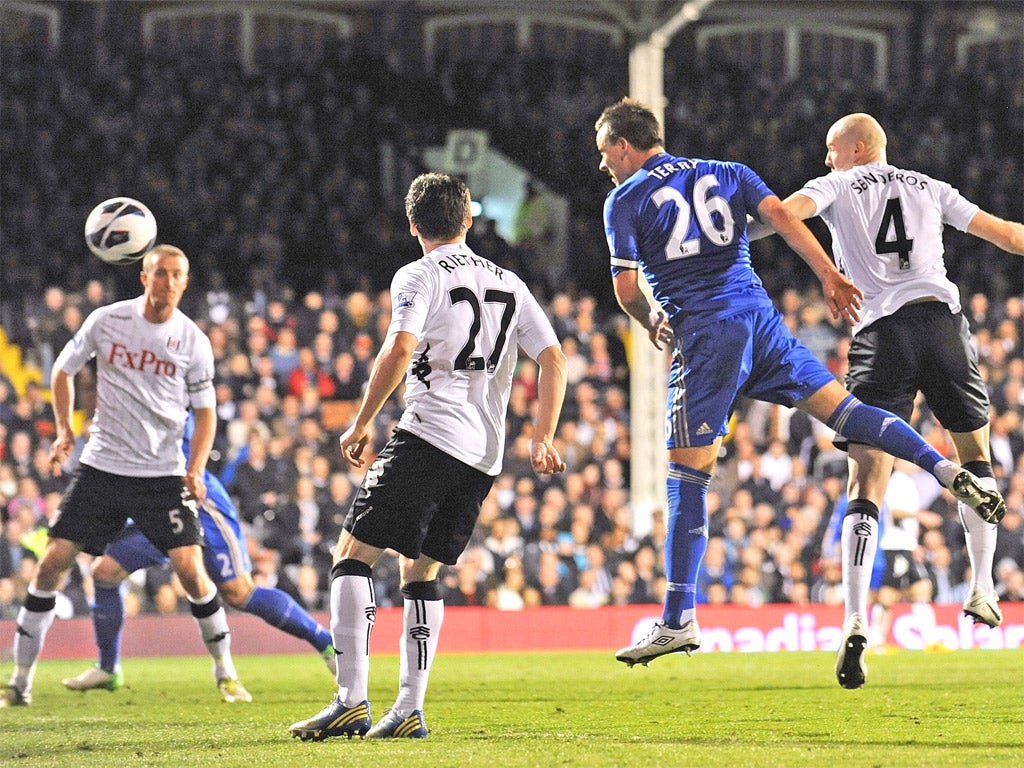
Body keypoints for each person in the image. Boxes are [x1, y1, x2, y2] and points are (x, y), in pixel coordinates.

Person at [592, 98, 1005, 674]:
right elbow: (784, 220)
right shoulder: (729, 171)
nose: (603, 164)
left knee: (689, 475)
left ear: (622, 144)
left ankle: (679, 617)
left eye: (604, 152)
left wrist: (650, 320)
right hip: (767, 321)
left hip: (706, 333)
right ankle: (944, 470)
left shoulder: (625, 198)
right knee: (845, 410)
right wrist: (829, 274)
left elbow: (626, 290)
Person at [288, 172, 567, 741]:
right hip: (483, 454)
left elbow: (399, 346)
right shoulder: (510, 282)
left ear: (413, 224)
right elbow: (554, 359)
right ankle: (409, 709)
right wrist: (542, 435)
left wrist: (361, 421)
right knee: (421, 571)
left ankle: (349, 700)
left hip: (430, 434)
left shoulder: (419, 274)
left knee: (351, 555)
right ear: (469, 219)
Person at [749, 112, 1024, 687]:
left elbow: (782, 215)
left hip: (880, 334)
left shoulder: (836, 184)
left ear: (856, 149)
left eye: (831, 149)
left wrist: (724, 238)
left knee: (866, 480)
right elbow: (1008, 235)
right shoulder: (931, 186)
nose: (826, 159)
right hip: (942, 325)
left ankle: (854, 618)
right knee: (977, 457)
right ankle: (982, 586)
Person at [1, 245, 244, 708]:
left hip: (161, 474)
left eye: (176, 275)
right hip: (103, 468)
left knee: (191, 571)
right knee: (51, 563)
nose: (168, 282)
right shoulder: (107, 320)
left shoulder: (192, 340)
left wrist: (195, 468)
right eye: (160, 273)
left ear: (185, 282)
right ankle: (20, 682)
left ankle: (226, 673)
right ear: (144, 278)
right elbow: (62, 371)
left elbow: (206, 413)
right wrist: (63, 431)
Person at [61, 415, 336, 698]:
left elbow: (198, 424)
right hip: (153, 505)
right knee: (105, 573)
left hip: (197, 501)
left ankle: (323, 643)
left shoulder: (169, 400)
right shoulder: (119, 406)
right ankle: (108, 668)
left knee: (238, 592)